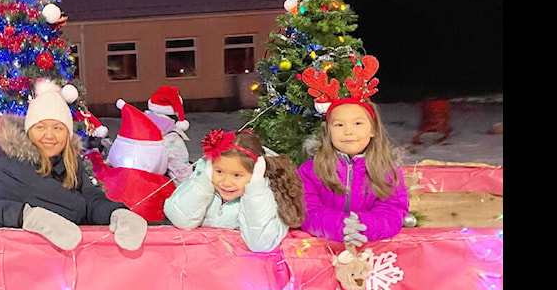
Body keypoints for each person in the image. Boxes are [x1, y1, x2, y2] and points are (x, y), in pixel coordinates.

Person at [0, 80, 148, 251]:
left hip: (70, 270)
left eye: (58, 128)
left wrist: (116, 213)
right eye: (40, 127)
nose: (49, 135)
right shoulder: (13, 167)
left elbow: (90, 201)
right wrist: (26, 216)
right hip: (33, 273)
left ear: (67, 133)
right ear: (30, 132)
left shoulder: (70, 164)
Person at [297, 55, 408, 245]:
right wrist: (341, 226)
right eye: (339, 125)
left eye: (357, 123)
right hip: (323, 252)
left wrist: (365, 226)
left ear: (372, 129)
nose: (348, 131)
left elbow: (392, 211)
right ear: (328, 131)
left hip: (372, 251)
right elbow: (307, 211)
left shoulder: (388, 171)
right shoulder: (310, 170)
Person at [163, 129, 304, 252]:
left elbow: (260, 244)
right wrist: (203, 182)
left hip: (243, 272)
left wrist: (255, 190)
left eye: (237, 175)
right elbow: (180, 220)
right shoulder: (202, 182)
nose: (226, 183)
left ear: (256, 172)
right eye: (219, 171)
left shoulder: (266, 197)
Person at [144, 86, 193, 184]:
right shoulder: (171, 138)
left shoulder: (137, 124)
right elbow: (182, 176)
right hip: (155, 189)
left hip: (131, 185)